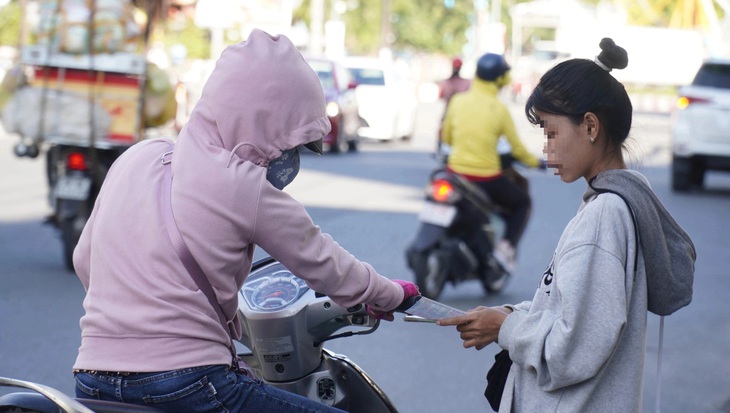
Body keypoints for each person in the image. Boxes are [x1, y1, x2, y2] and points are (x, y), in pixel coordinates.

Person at [71, 29, 419, 413]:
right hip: (188, 383)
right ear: (265, 124)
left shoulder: (137, 156)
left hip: (91, 378)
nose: (289, 157)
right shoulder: (242, 184)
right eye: (291, 143)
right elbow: (324, 263)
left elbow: (85, 259)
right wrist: (392, 294)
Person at [437, 38, 696, 413]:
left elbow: (573, 349)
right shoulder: (619, 202)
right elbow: (570, 308)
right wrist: (510, 315)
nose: (546, 148)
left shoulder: (606, 216)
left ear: (590, 126)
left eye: (551, 131)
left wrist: (505, 329)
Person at [440, 52, 545, 274]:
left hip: (453, 174)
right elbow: (517, 149)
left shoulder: (458, 101)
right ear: (500, 79)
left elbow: (446, 138)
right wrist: (535, 162)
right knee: (522, 202)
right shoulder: (499, 109)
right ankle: (505, 249)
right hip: (485, 179)